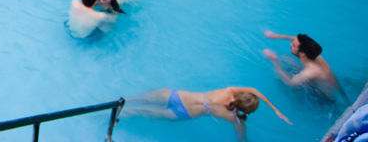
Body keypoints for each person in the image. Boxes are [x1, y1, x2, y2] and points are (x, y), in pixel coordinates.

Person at [124, 87, 291, 141]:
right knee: (138, 112)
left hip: (177, 95)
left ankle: (105, 103)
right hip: (183, 112)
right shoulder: (235, 119)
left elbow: (254, 90)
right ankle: (105, 116)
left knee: (132, 100)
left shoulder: (230, 91)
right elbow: (242, 140)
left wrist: (275, 109)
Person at [262, 31, 343, 100]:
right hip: (334, 86)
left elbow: (290, 83)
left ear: (302, 54)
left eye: (293, 45)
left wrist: (274, 61)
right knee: (286, 59)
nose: (290, 44)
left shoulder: (311, 71)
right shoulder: (315, 53)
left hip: (327, 98)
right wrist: (276, 36)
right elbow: (296, 39)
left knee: (286, 65)